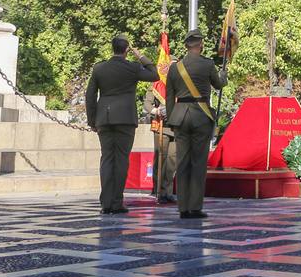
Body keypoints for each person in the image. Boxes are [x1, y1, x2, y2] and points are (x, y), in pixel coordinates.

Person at [84, 35, 158, 215]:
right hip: (125, 119)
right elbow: (154, 74)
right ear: (126, 50)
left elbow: (90, 96)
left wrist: (92, 120)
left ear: (112, 48)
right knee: (122, 160)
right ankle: (116, 202)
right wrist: (140, 56)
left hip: (105, 118)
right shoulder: (132, 67)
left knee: (107, 159)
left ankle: (106, 202)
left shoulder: (99, 68)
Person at [165, 32, 227, 219]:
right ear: (200, 44)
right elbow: (218, 84)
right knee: (198, 163)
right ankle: (195, 207)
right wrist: (223, 75)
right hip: (201, 116)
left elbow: (169, 97)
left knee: (182, 162)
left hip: (180, 117)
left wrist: (171, 119)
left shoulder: (175, 68)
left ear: (186, 46)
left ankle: (183, 207)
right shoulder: (207, 64)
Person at [144, 87, 177, 204]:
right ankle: (158, 190)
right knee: (160, 159)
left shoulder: (182, 80)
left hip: (177, 126)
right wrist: (157, 111)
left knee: (172, 161)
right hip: (161, 125)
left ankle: (167, 191)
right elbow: (147, 104)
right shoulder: (157, 83)